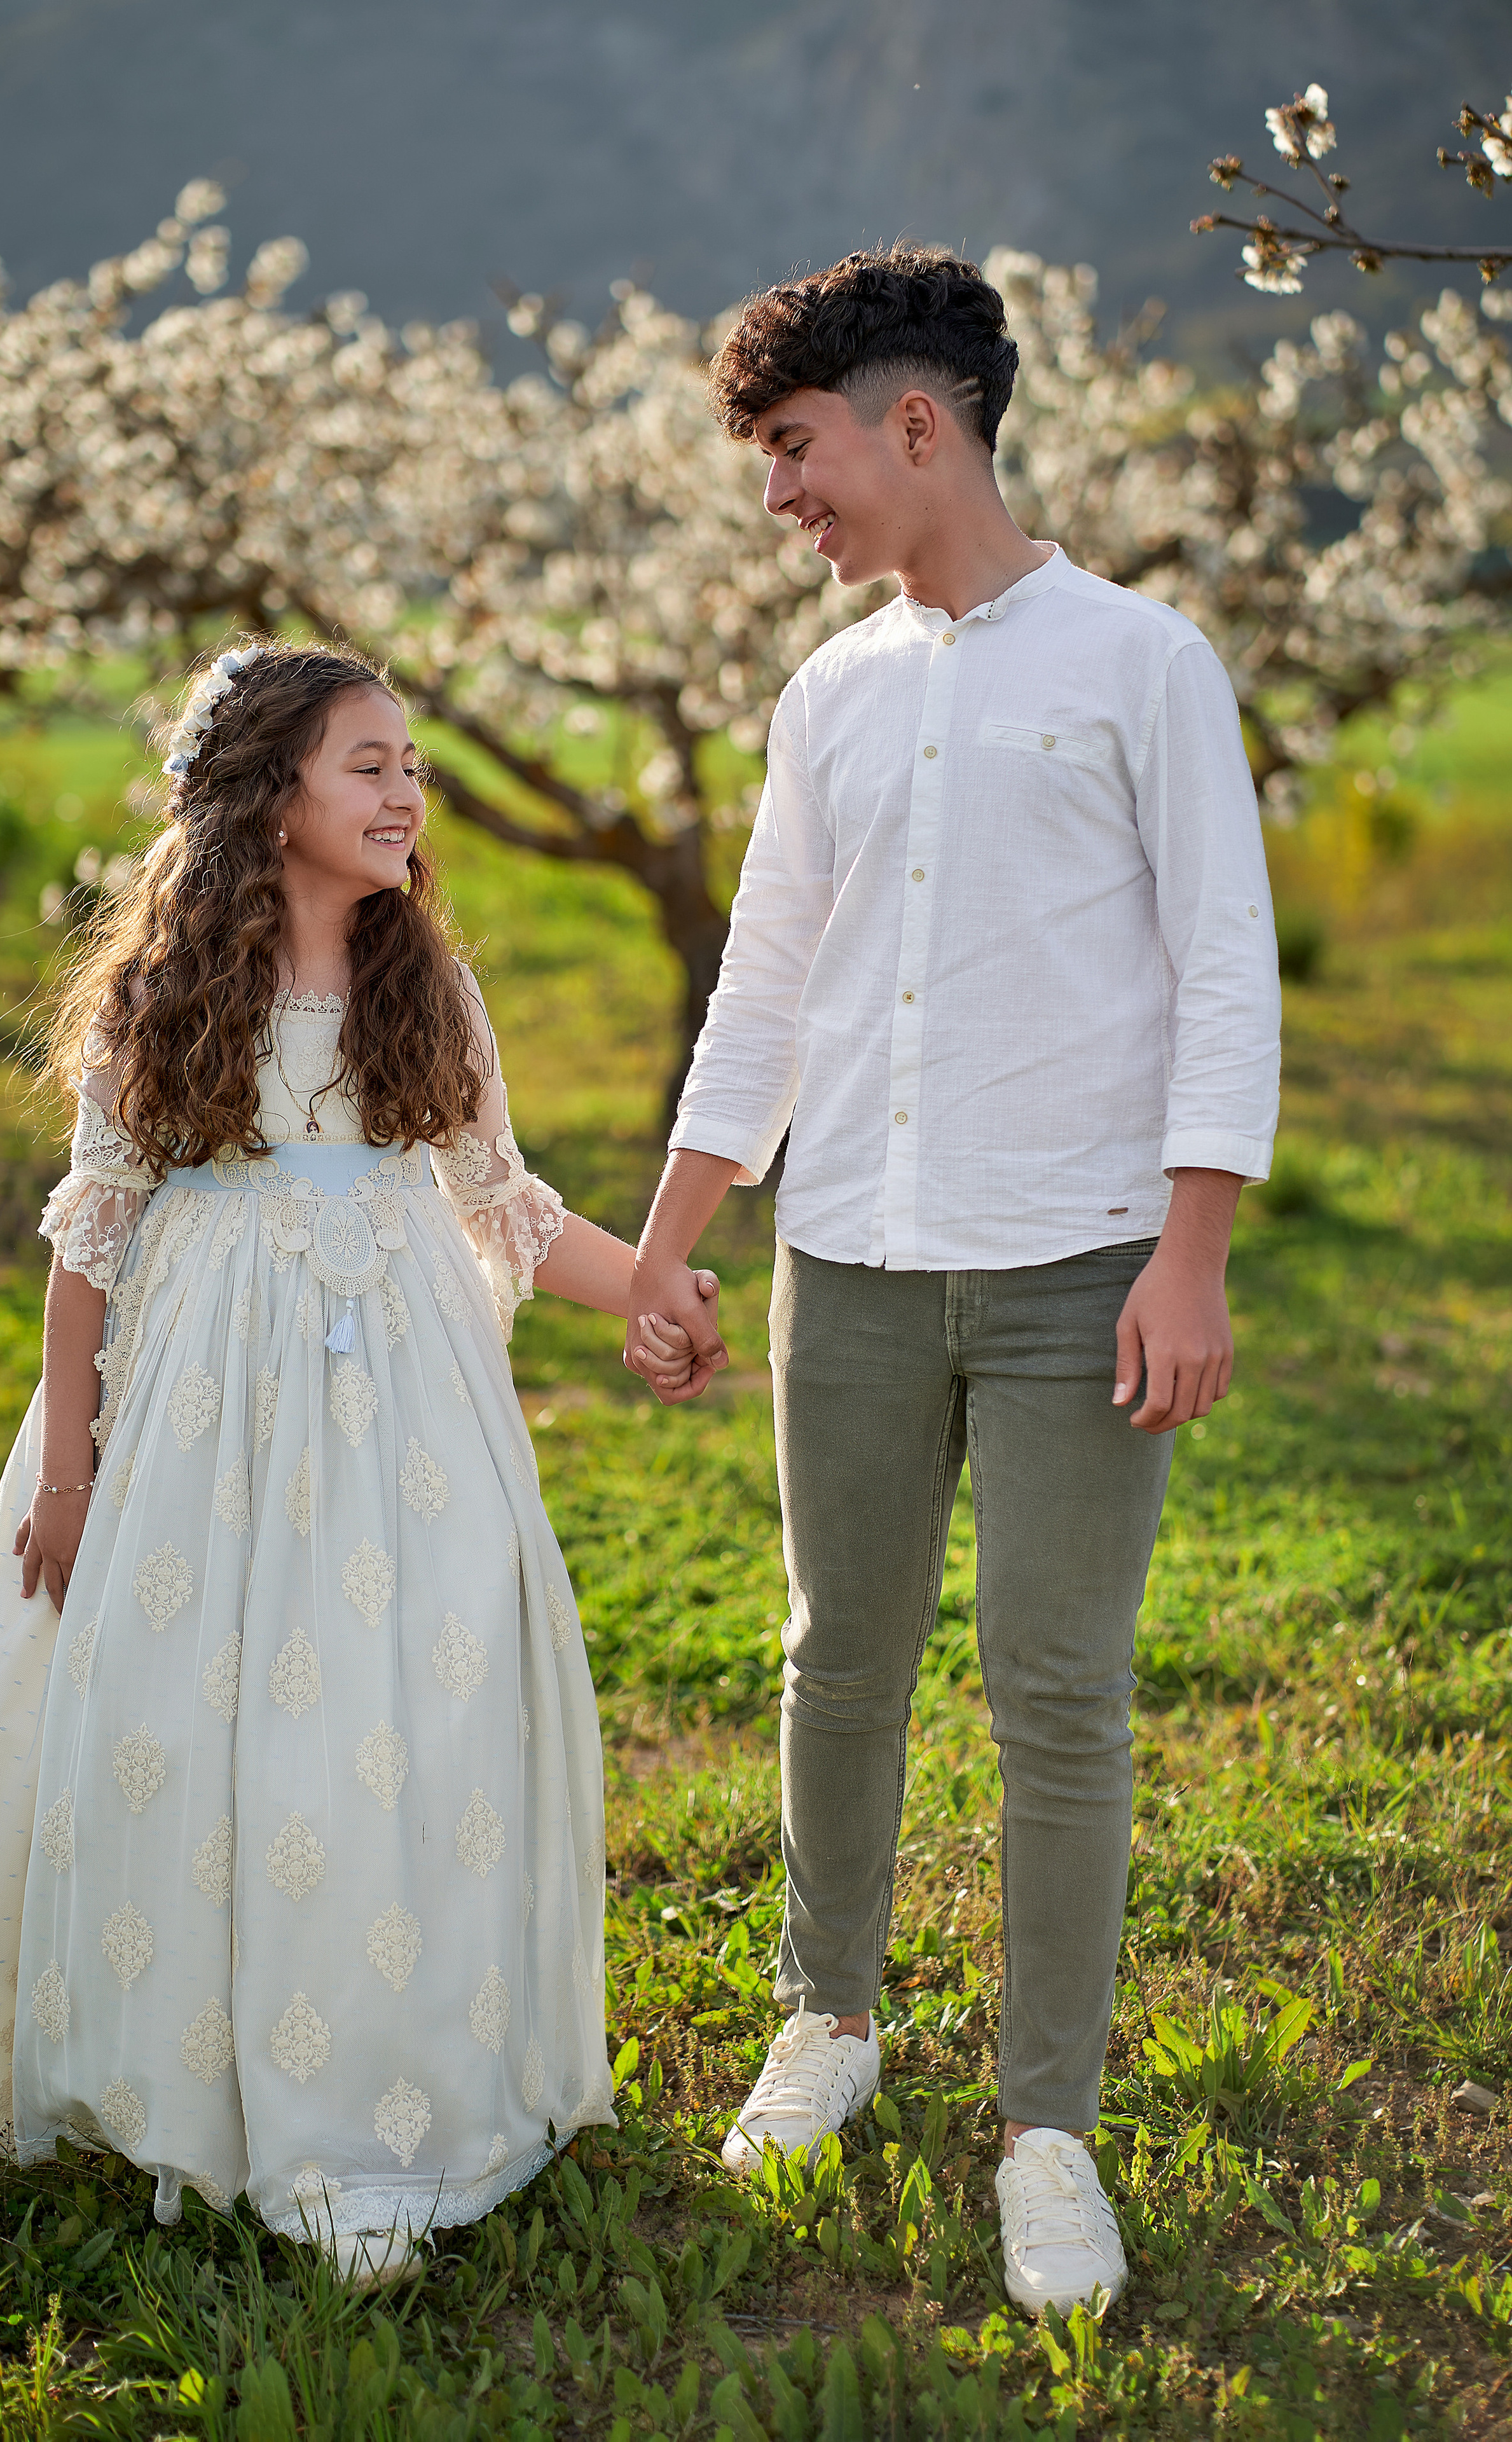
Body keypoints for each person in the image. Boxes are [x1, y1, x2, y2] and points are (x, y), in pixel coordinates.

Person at [622, 246, 1281, 2317]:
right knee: (839, 1655)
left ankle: (1048, 2123)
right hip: (857, 1263)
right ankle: (828, 2019)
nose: (780, 500)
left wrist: (1192, 1256)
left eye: (800, 452)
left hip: (1086, 1264)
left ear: (923, 422)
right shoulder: (830, 695)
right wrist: (671, 1235)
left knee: (1060, 1693)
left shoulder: (1142, 662)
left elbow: (1222, 975)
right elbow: (769, 985)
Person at [0, 638, 708, 2284]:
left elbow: (505, 1204)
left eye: (413, 764)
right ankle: (198, 2082)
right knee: (202, 1712)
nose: (407, 793)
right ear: (270, 797)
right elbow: (92, 1242)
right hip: (208, 1410)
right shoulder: (170, 995)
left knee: (387, 1715)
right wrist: (69, 1470)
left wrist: (655, 1286)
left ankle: (374, 2104)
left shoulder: (429, 989)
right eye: (368, 763)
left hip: (406, 1418)